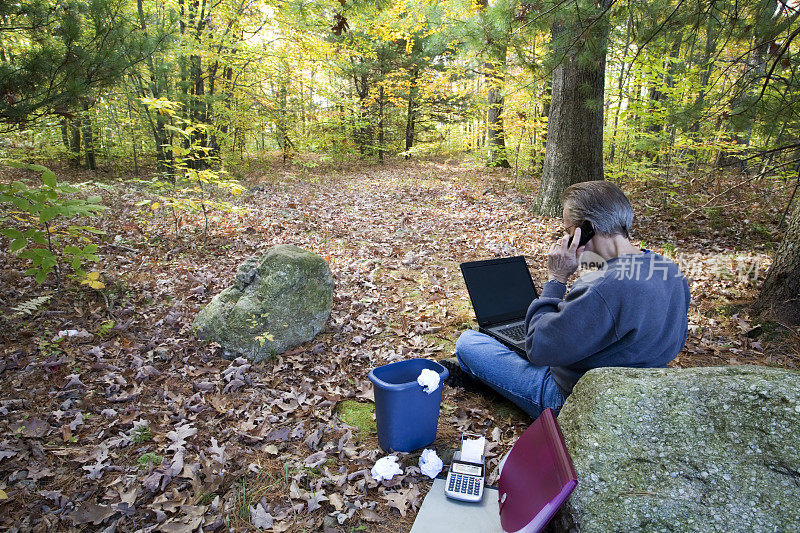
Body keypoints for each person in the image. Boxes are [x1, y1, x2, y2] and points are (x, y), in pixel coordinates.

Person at [444, 181, 690, 418]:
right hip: (642, 391)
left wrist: (556, 279)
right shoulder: (668, 269)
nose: (567, 238)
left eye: (568, 231)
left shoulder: (603, 287)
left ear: (588, 229)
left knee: (468, 342)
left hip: (575, 399)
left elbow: (537, 349)